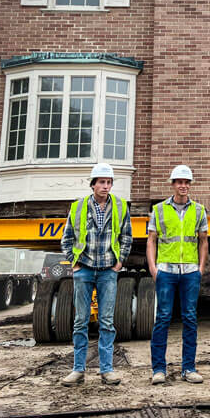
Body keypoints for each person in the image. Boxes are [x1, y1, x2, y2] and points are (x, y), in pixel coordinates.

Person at [59, 162, 133, 386]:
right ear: (93, 184)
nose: (106, 186)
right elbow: (67, 238)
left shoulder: (120, 207)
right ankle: (78, 370)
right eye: (102, 182)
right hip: (84, 270)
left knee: (107, 322)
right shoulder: (78, 207)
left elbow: (127, 237)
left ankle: (107, 370)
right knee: (81, 321)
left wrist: (119, 263)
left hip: (108, 272)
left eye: (109, 182)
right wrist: (74, 263)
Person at [147, 164, 209, 385]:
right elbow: (151, 240)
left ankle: (189, 368)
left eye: (186, 182)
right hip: (167, 271)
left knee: (190, 319)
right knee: (162, 319)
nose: (183, 186)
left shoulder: (199, 210)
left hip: (190, 272)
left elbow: (203, 241)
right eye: (179, 182)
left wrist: (201, 268)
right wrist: (154, 268)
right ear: (173, 184)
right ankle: (158, 369)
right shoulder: (159, 210)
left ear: (189, 185)